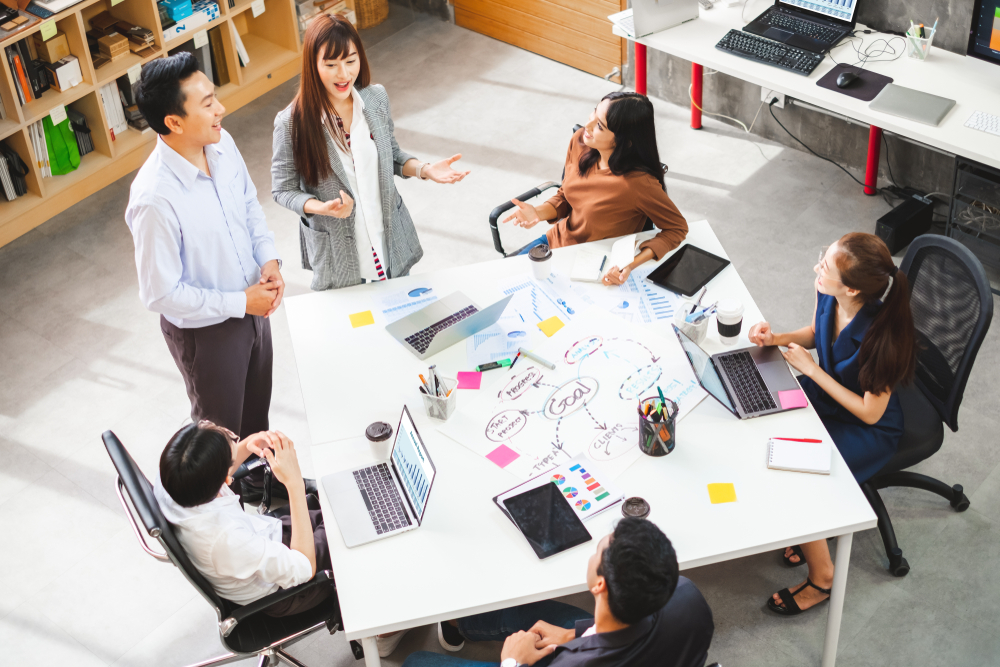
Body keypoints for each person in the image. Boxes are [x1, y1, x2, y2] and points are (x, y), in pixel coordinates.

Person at [126, 53, 283, 495]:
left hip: (254, 305)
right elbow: (160, 294)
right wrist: (240, 303)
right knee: (220, 439)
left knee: (256, 416)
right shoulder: (154, 198)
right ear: (174, 122)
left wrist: (268, 259)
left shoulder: (221, 142)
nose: (222, 110)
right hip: (208, 332)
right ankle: (230, 513)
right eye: (209, 103)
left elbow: (249, 205)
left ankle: (262, 490)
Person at [748, 233, 916, 616]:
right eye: (823, 258)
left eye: (824, 267)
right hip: (830, 397)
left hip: (866, 428)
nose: (816, 269)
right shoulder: (829, 291)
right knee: (767, 428)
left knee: (798, 476)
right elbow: (815, 334)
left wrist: (813, 372)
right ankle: (809, 534)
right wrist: (777, 339)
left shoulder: (884, 338)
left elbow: (870, 413)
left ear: (853, 287)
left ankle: (822, 579)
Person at [272, 14, 469, 291]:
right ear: (312, 65)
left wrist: (424, 170)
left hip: (388, 236)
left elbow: (392, 155)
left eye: (351, 61)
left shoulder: (375, 98)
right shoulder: (291, 122)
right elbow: (283, 190)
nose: (344, 74)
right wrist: (321, 208)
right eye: (331, 64)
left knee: (398, 316)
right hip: (337, 251)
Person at [400, 518, 714, 667]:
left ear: (599, 585)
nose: (593, 554)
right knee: (529, 615)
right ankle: (460, 623)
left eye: (597, 552)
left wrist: (513, 661)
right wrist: (572, 637)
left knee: (415, 662)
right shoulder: (687, 595)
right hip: (639, 650)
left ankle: (460, 628)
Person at [502, 92, 687, 286]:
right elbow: (566, 195)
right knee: (497, 281)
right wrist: (537, 213)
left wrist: (630, 264)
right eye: (594, 113)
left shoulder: (639, 183)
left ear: (625, 141)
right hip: (555, 243)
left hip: (594, 265)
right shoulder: (579, 142)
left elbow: (676, 228)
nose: (587, 126)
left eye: (600, 125)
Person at [153, 423, 335, 616]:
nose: (233, 434)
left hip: (265, 541)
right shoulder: (225, 538)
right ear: (226, 480)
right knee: (346, 525)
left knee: (332, 502)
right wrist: (294, 483)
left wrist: (248, 443)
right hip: (285, 590)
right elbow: (303, 568)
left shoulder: (173, 476)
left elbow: (212, 470)